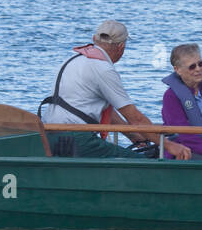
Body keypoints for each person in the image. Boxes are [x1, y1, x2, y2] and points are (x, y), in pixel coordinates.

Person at [39, 19, 191, 159]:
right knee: (143, 163)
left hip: (48, 135)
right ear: (121, 47)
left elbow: (101, 110)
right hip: (77, 139)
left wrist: (132, 136)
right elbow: (135, 118)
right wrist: (169, 145)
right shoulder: (103, 68)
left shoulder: (72, 60)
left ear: (94, 39)